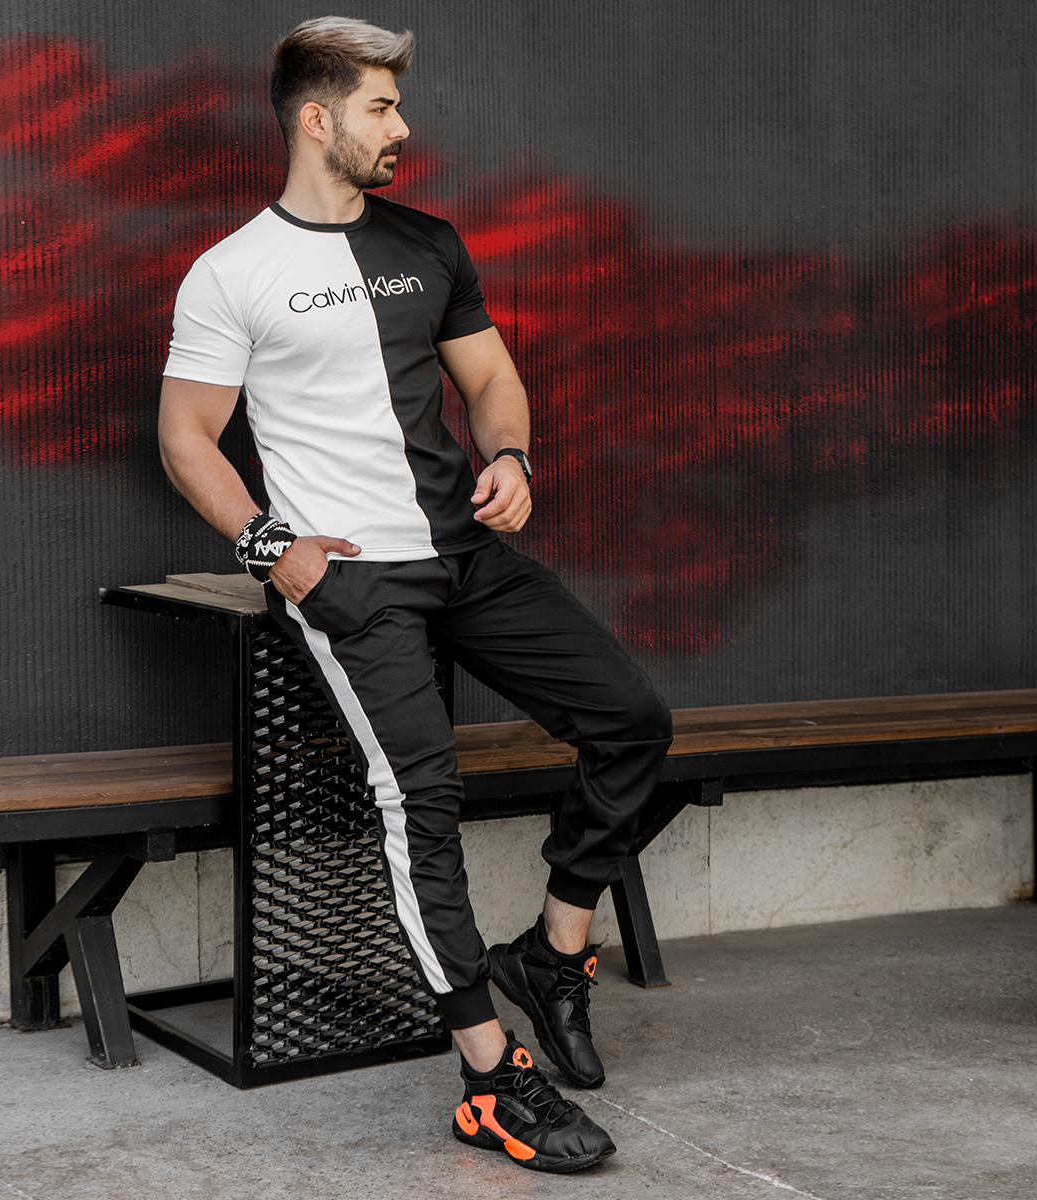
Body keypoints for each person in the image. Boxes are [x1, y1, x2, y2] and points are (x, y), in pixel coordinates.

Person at [159, 16, 674, 1173]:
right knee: (420, 805)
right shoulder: (233, 271)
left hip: (468, 555)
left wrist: (512, 455)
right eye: (382, 107)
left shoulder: (428, 243)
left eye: (398, 104)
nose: (403, 126)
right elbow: (187, 437)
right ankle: (490, 1077)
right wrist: (273, 549)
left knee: (633, 720)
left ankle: (555, 950)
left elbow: (491, 379)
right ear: (317, 118)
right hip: (353, 580)